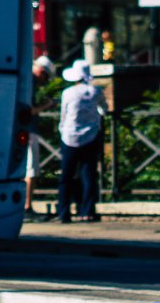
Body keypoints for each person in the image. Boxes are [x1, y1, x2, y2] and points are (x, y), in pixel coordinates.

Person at [54, 59, 107, 223]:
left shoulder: (68, 93)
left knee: (66, 176)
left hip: (69, 136)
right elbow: (104, 109)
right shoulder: (95, 91)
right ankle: (87, 211)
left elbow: (63, 115)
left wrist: (62, 130)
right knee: (88, 174)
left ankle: (64, 212)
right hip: (90, 136)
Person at [25, 56, 56, 216]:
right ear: (41, 72)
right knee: (31, 170)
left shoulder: (23, 77)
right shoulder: (29, 82)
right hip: (27, 130)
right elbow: (28, 111)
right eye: (45, 77)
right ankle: (27, 207)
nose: (44, 81)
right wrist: (47, 105)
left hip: (19, 130)